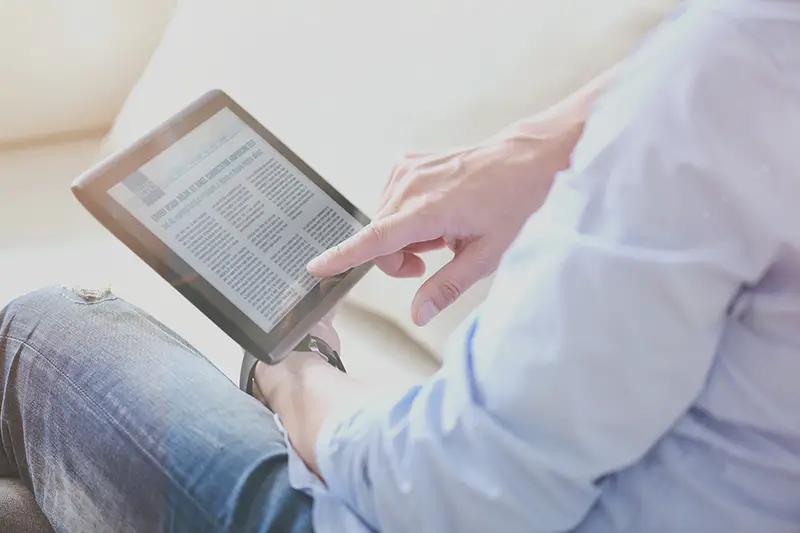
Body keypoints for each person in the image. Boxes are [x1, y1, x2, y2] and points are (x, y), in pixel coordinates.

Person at [2, 1, 799, 531]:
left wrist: (297, 372)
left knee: (45, 330)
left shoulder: (723, 73)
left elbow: (451, 488)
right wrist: (552, 142)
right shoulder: (733, 69)